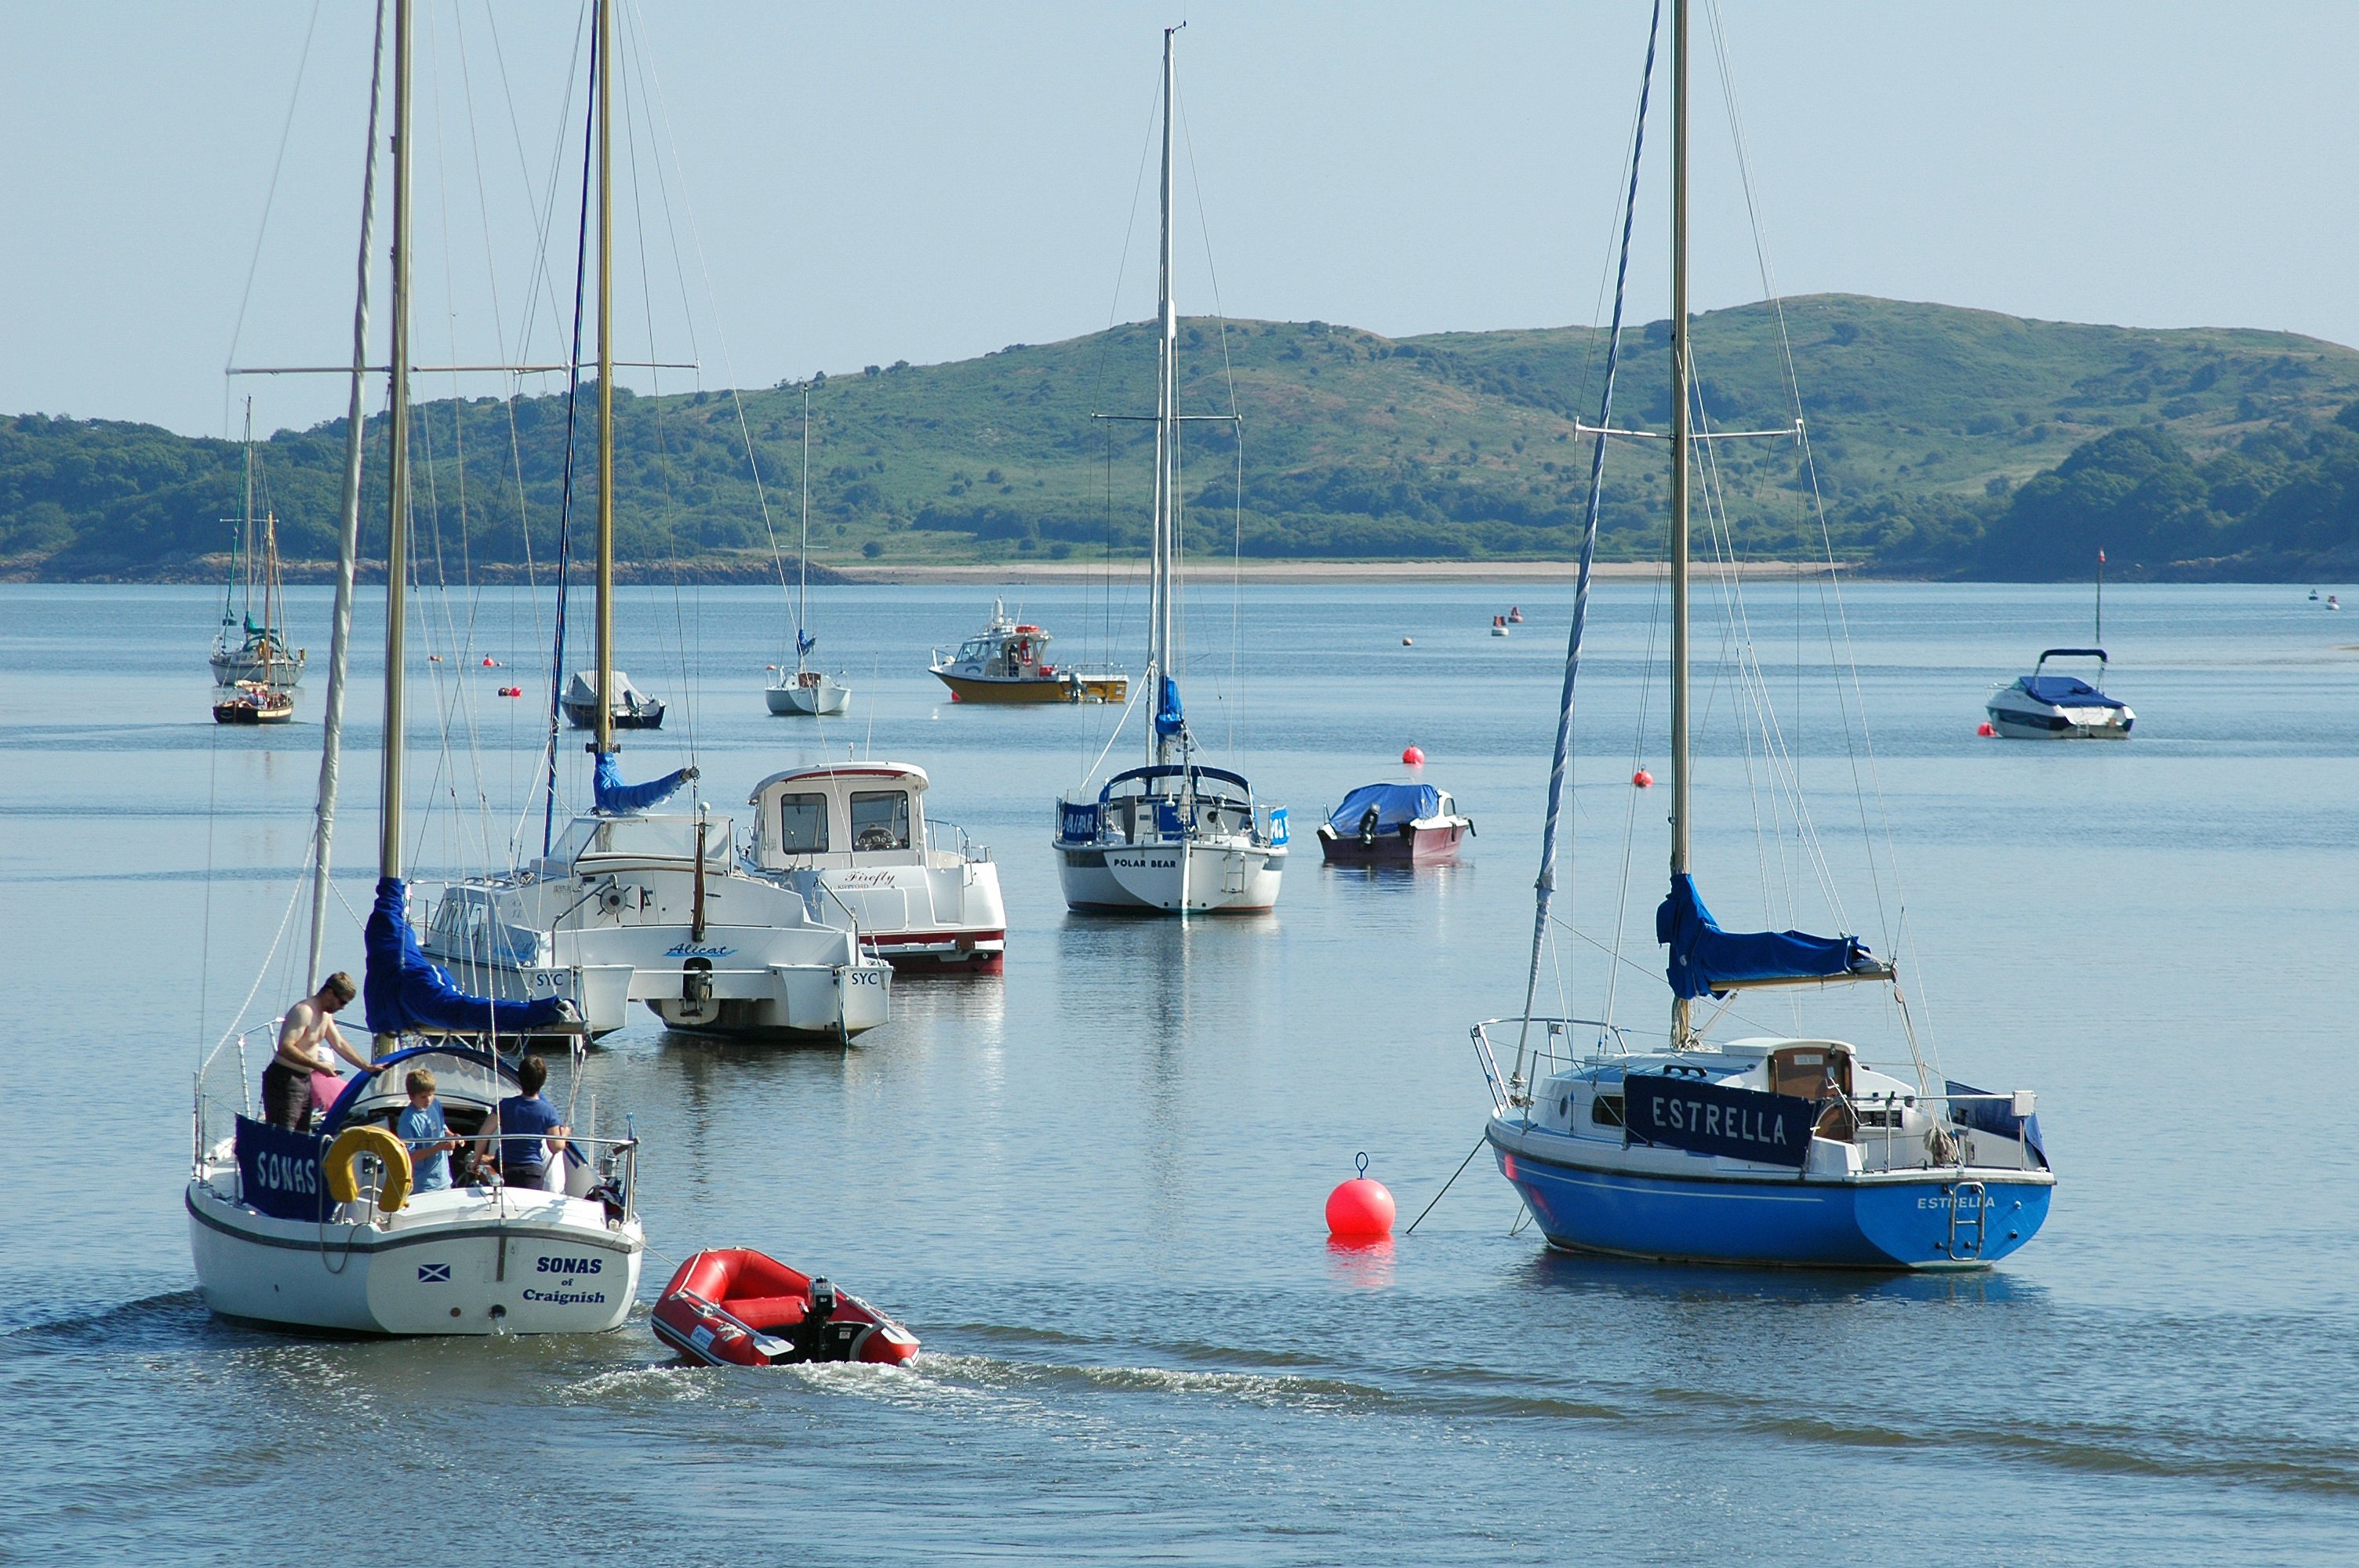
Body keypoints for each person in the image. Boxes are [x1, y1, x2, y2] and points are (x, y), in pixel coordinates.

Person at [262, 973, 369, 1131]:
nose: (343, 1007)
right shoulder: (304, 1011)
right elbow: (285, 1047)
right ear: (330, 993)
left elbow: (339, 1044)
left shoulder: (325, 1015)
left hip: (304, 1080)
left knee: (302, 1133)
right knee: (285, 1132)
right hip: (285, 1078)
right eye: (342, 1002)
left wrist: (366, 1066)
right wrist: (318, 1066)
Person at [477, 1054, 569, 1192]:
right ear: (543, 1081)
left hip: (503, 1167)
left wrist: (476, 1161)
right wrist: (565, 1134)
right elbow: (555, 1147)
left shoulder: (505, 1105)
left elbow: (483, 1134)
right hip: (531, 1173)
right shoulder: (548, 1111)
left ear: (519, 1078)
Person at [394, 1069, 461, 1192]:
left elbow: (442, 1127)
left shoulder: (436, 1104)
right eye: (423, 1097)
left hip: (444, 1179)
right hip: (423, 1186)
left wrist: (452, 1136)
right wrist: (439, 1147)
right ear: (411, 1097)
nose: (428, 1100)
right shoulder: (408, 1120)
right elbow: (409, 1156)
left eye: (431, 1095)